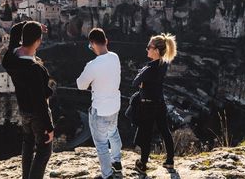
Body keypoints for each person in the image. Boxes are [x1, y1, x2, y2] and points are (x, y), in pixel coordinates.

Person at [2, 21, 54, 179]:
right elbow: (40, 101)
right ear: (38, 41)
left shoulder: (10, 58)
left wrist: (32, 25)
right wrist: (49, 126)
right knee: (44, 151)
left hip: (24, 111)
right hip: (38, 115)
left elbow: (14, 31)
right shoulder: (34, 69)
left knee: (28, 144)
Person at [76, 28, 122, 179]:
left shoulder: (92, 65)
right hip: (115, 105)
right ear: (106, 41)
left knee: (102, 144)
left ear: (92, 44)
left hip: (100, 109)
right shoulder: (115, 57)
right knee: (113, 133)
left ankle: (107, 174)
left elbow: (80, 85)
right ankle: (117, 162)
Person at [132, 33, 177, 174]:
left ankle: (143, 164)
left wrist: (142, 82)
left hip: (147, 105)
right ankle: (170, 161)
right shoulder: (163, 64)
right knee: (165, 131)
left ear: (156, 50)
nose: (147, 49)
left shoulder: (149, 68)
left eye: (149, 47)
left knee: (146, 134)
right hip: (160, 102)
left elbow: (135, 82)